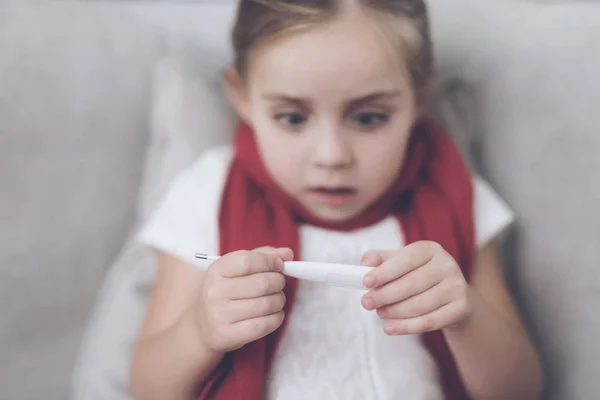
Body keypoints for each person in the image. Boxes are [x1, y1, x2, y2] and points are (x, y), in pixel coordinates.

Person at [129, 1, 543, 399]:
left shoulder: (456, 195)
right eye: (292, 118)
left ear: (419, 96)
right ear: (241, 96)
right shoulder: (208, 193)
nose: (331, 156)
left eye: (368, 118)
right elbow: (148, 389)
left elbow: (521, 390)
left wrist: (465, 314)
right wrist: (202, 329)